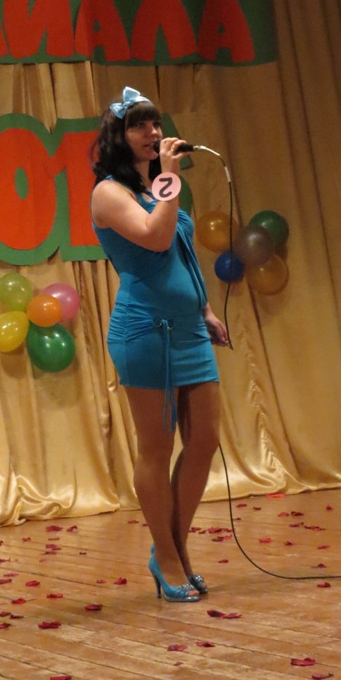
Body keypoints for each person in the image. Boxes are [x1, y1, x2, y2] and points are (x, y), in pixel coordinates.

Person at [90, 86, 229, 603]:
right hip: (144, 330)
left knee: (205, 439)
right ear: (118, 137)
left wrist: (205, 309)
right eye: (140, 126)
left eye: (155, 124)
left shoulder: (160, 188)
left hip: (188, 328)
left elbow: (182, 252)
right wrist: (168, 181)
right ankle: (168, 558)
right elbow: (155, 238)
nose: (153, 133)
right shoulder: (109, 193)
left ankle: (175, 547)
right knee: (157, 447)